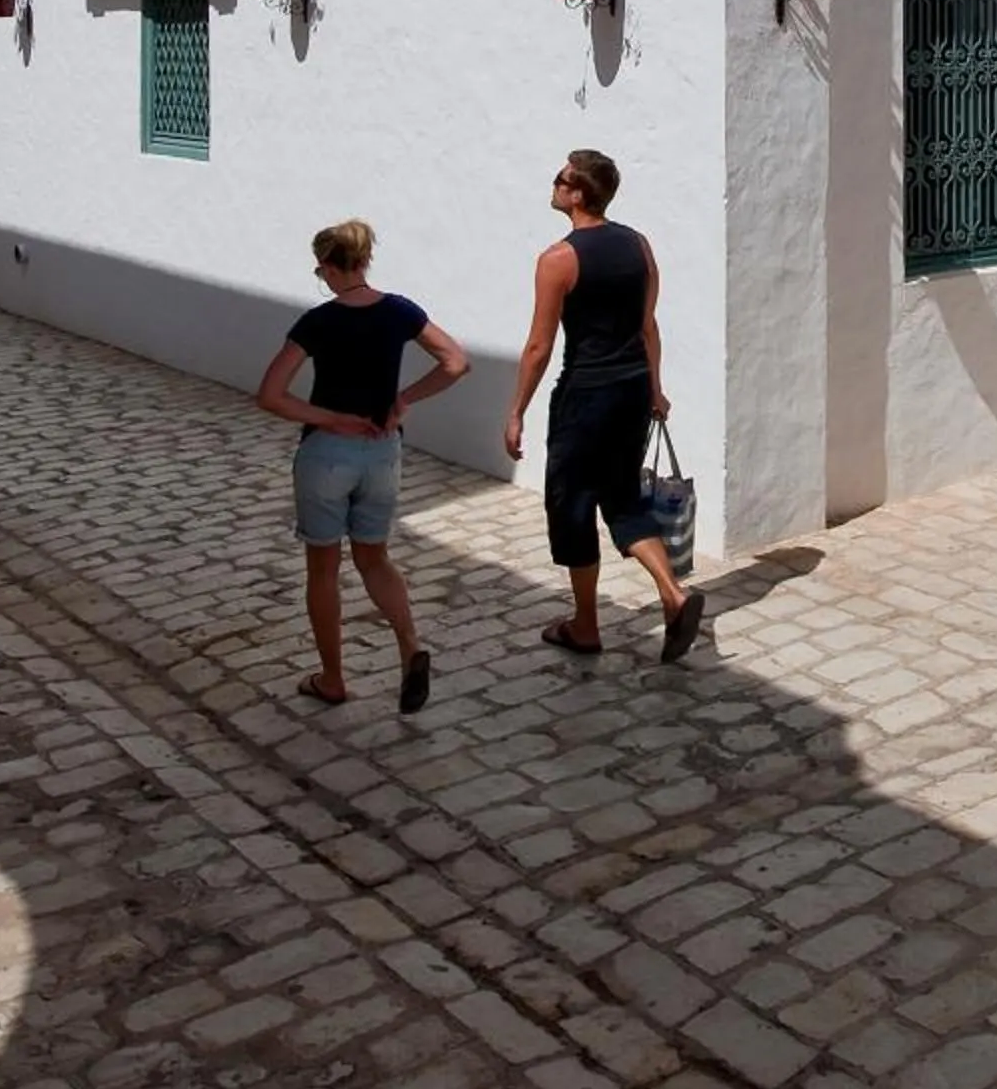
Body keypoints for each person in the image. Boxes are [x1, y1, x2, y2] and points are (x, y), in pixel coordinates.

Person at [257, 218, 469, 711]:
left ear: (331, 266)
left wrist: (329, 417)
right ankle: (410, 644)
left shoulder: (318, 322)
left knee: (323, 570)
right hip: (383, 450)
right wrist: (403, 401)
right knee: (375, 558)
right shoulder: (399, 312)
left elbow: (270, 394)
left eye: (320, 269)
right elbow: (455, 361)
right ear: (366, 261)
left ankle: (332, 679)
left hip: (329, 452)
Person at [504, 149, 704, 663]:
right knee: (622, 500)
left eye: (561, 178)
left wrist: (516, 411)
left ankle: (586, 626)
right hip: (633, 390)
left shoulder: (558, 259)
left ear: (578, 193)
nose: (554, 184)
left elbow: (538, 347)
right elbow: (647, 325)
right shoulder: (639, 246)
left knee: (572, 504)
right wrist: (655, 388)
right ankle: (673, 594)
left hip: (586, 397)